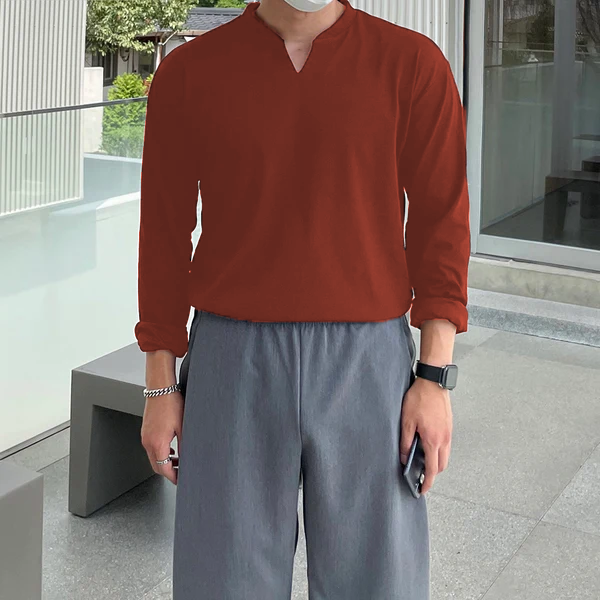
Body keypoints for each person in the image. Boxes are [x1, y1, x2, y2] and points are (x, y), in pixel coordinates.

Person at [135, 0, 470, 597]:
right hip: (231, 361)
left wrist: (434, 377)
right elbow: (163, 234)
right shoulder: (188, 73)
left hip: (368, 364)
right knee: (222, 581)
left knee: (377, 582)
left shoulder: (412, 65)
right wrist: (160, 386)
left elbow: (441, 225)